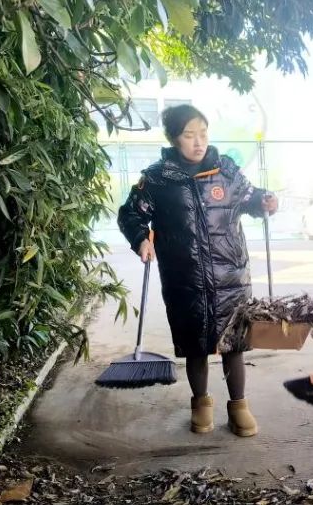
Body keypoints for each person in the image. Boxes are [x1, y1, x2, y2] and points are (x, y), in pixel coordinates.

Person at [118, 104, 278, 437]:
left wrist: (266, 201)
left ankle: (239, 407)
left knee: (234, 344)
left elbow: (251, 197)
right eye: (189, 135)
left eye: (203, 134)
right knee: (195, 346)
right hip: (184, 278)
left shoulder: (227, 171)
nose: (198, 142)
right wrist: (140, 239)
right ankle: (201, 404)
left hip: (230, 277)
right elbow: (130, 213)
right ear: (174, 139)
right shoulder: (158, 178)